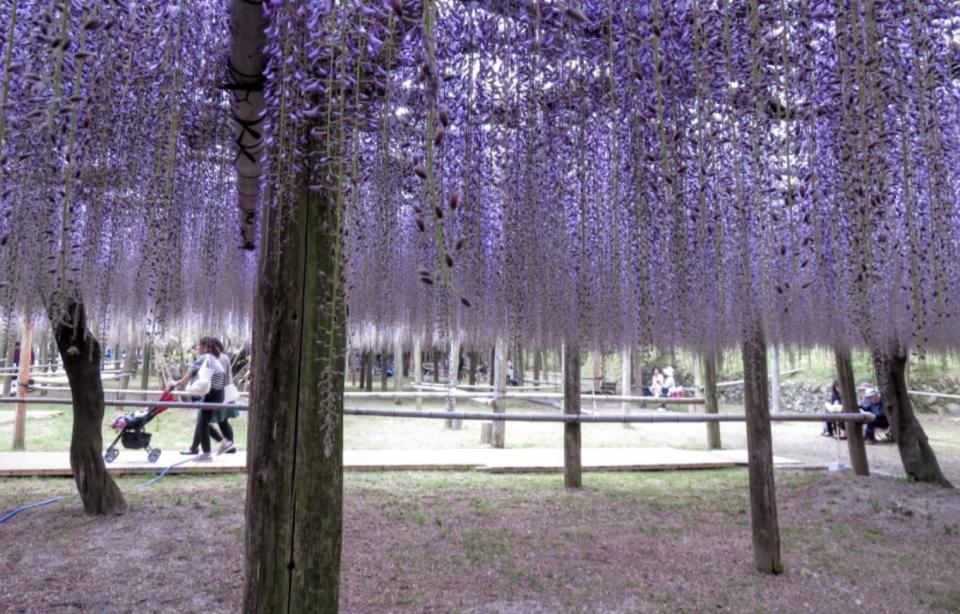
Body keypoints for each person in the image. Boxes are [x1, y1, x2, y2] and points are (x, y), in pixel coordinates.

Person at [169, 337, 226, 461]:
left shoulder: (204, 358)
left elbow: (190, 374)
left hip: (213, 395)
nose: (196, 348)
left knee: (202, 423)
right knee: (202, 422)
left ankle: (208, 453)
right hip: (217, 394)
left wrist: (176, 383)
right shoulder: (212, 358)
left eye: (198, 346)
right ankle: (196, 448)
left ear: (205, 348)